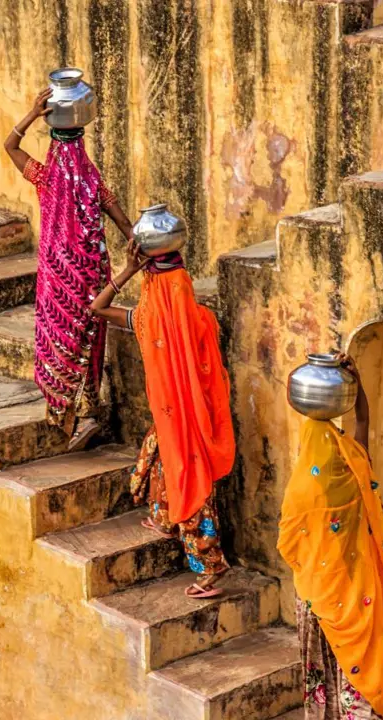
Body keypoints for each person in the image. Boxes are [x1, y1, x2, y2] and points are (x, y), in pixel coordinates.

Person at [89, 241, 236, 599]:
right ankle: (165, 518)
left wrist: (128, 271)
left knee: (188, 480)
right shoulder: (205, 322)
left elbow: (96, 307)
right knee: (161, 458)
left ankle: (210, 570)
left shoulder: (144, 320)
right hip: (196, 420)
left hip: (176, 420)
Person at [5, 88, 134, 449]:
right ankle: (88, 413)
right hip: (92, 274)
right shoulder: (92, 182)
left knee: (58, 340)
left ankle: (71, 415)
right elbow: (124, 223)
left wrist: (31, 115)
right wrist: (140, 247)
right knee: (89, 341)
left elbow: (10, 148)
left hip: (58, 276)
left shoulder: (45, 178)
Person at [278, 356, 383, 719]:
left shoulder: (303, 491)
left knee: (323, 672)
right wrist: (357, 380)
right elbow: (362, 419)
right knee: (360, 667)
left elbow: (289, 545)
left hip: (318, 598)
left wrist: (300, 371)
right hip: (359, 590)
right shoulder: (355, 461)